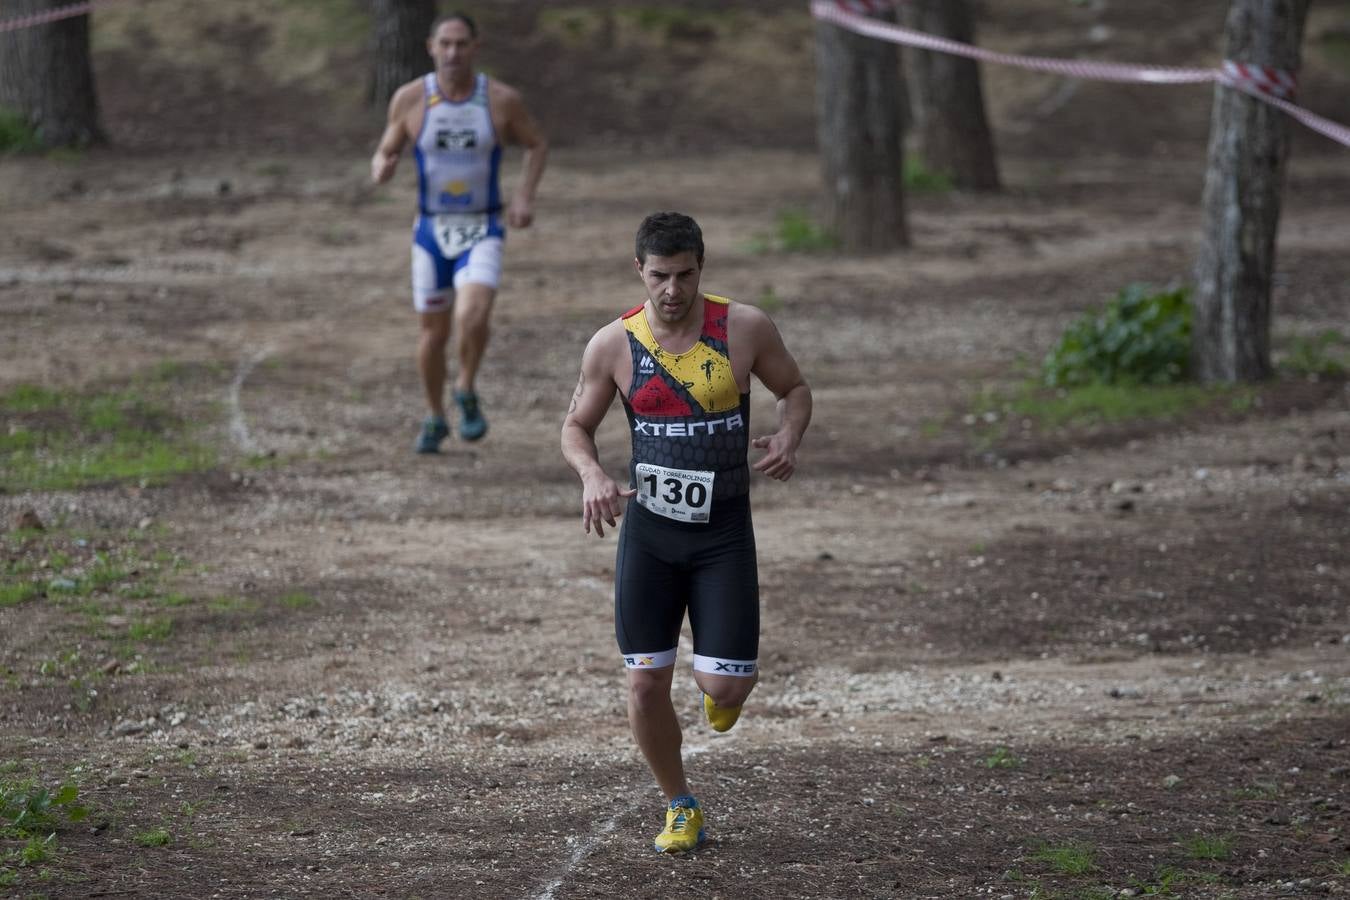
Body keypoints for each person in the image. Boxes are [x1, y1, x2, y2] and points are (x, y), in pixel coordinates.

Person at [560, 212, 812, 852]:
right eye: (659, 277)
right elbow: (575, 427)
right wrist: (591, 474)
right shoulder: (614, 345)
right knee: (645, 681)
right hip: (650, 534)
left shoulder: (744, 328)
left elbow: (794, 388)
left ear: (702, 267)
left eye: (685, 275)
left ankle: (721, 689)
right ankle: (679, 804)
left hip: (724, 532)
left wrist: (787, 435)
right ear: (638, 271)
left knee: (725, 687)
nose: (672, 290)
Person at [370, 11, 548, 451]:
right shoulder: (410, 99)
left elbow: (536, 144)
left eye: (460, 44)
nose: (452, 52)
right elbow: (384, 150)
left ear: (475, 47)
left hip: (483, 225)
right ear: (430, 47)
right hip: (430, 229)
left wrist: (524, 197)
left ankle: (465, 387)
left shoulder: (500, 100)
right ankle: (434, 416)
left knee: (473, 314)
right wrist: (382, 168)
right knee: (433, 334)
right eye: (444, 44)